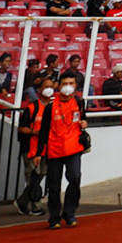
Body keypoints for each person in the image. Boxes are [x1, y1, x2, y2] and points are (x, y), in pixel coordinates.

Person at [33, 74, 88, 228]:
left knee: (75, 177)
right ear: (59, 85)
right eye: (64, 83)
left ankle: (70, 212)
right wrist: (39, 153)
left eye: (71, 83)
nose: (67, 86)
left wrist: (84, 124)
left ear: (76, 85)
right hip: (55, 150)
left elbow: (83, 119)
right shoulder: (50, 106)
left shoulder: (79, 102)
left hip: (74, 147)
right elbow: (43, 130)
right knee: (54, 185)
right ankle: (54, 217)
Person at [14, 76, 54, 216]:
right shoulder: (32, 108)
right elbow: (21, 128)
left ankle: (23, 201)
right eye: (46, 86)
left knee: (41, 174)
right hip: (31, 148)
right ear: (39, 90)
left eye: (51, 86)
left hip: (46, 149)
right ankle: (36, 206)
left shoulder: (54, 107)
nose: (49, 89)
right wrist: (36, 132)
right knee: (32, 176)